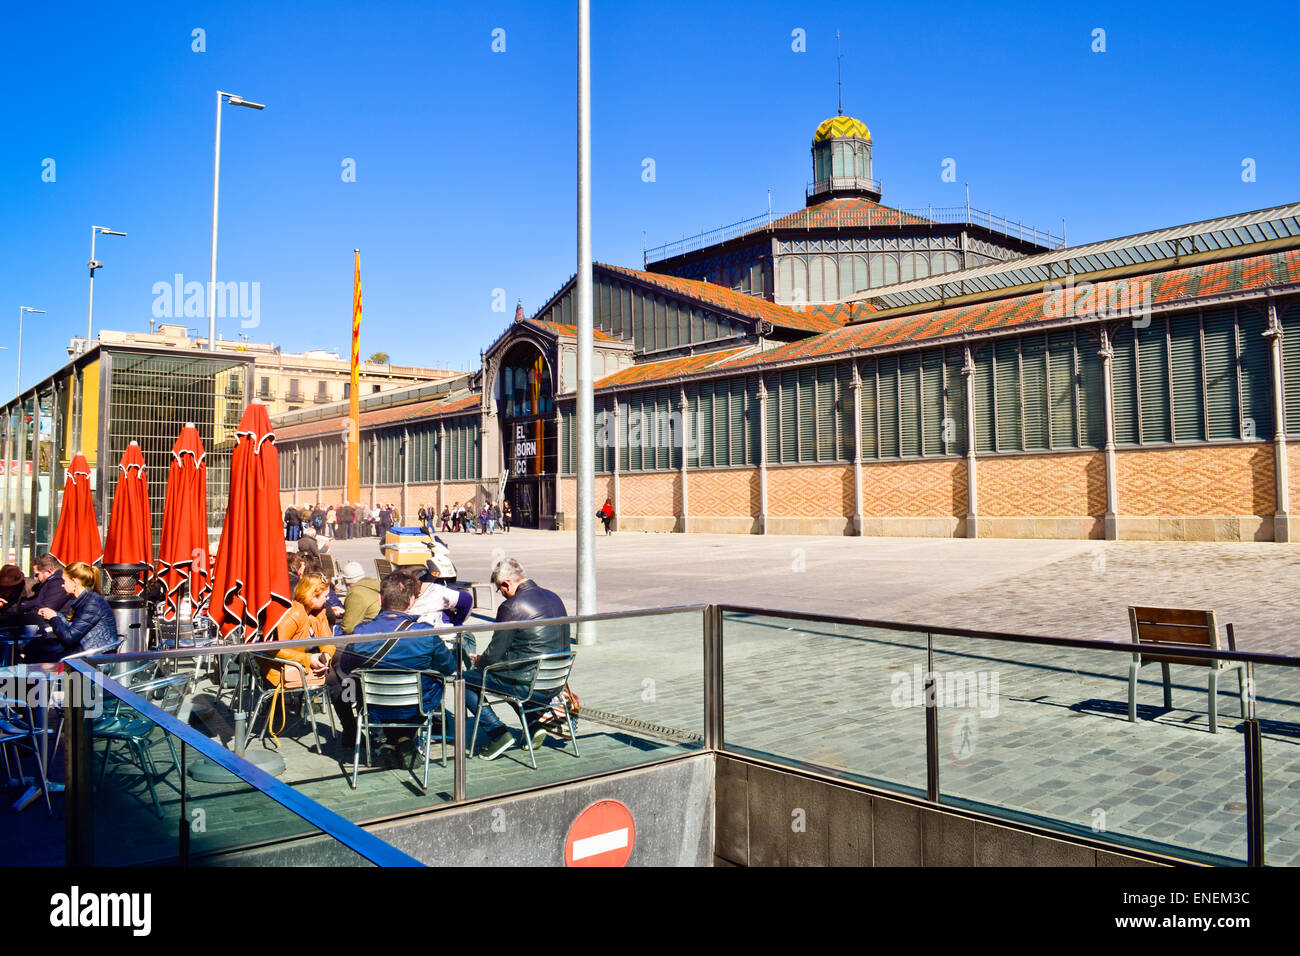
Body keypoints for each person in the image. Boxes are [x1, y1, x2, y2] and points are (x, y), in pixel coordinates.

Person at [334, 574, 467, 757]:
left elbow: (347, 666)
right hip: (416, 705)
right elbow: (449, 666)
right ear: (411, 601)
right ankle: (403, 740)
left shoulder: (361, 632)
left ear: (380, 600)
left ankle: (392, 740)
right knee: (430, 684)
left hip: (375, 705)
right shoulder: (425, 633)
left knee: (360, 686)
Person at [464, 557, 571, 760]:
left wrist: (479, 662)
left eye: (500, 589)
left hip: (529, 682)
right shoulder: (554, 596)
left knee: (466, 680)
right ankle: (533, 725)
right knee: (507, 676)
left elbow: (494, 653)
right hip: (556, 681)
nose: (502, 595)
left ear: (507, 584)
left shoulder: (512, 606)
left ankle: (498, 735)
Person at [261, 575, 355, 744]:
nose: (328, 600)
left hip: (300, 662)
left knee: (342, 668)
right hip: (279, 669)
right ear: (312, 596)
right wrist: (308, 659)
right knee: (337, 678)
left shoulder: (319, 612)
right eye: (325, 596)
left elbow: (328, 640)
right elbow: (272, 648)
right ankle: (352, 730)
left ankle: (352, 728)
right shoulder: (294, 613)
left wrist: (325, 656)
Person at [30, 561, 120, 661]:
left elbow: (69, 637)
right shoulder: (86, 600)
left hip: (95, 657)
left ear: (74, 582)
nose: (62, 585)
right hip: (85, 651)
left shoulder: (92, 603)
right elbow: (74, 629)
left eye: (64, 581)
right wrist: (56, 615)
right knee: (34, 649)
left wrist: (53, 617)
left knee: (37, 655)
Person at [340, 561, 381, 634]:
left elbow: (348, 628)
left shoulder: (355, 593)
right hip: (383, 628)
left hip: (370, 635)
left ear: (346, 580)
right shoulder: (377, 583)